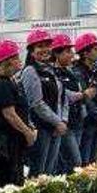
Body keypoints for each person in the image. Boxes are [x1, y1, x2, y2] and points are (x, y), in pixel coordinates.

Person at [0, 40, 36, 188]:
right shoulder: (2, 84)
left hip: (15, 140)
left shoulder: (10, 81)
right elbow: (10, 114)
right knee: (8, 182)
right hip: (7, 142)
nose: (19, 61)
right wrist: (27, 132)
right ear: (7, 61)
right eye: (15, 58)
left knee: (16, 178)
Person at [20, 29, 66, 177]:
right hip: (40, 128)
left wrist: (61, 121)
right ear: (31, 52)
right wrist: (57, 122)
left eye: (47, 45)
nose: (45, 49)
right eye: (40, 46)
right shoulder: (30, 71)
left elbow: (60, 97)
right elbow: (36, 103)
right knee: (38, 172)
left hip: (55, 127)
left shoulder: (51, 70)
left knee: (50, 172)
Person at [51, 34, 91, 174]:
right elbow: (62, 94)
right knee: (75, 161)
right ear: (56, 53)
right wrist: (83, 95)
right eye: (67, 52)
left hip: (77, 119)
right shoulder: (53, 73)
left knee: (68, 162)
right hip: (64, 122)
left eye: (71, 51)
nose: (71, 55)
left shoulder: (71, 72)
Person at [74, 33, 97, 165]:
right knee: (84, 161)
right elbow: (86, 99)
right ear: (85, 52)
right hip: (86, 122)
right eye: (95, 48)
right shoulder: (77, 72)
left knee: (93, 161)